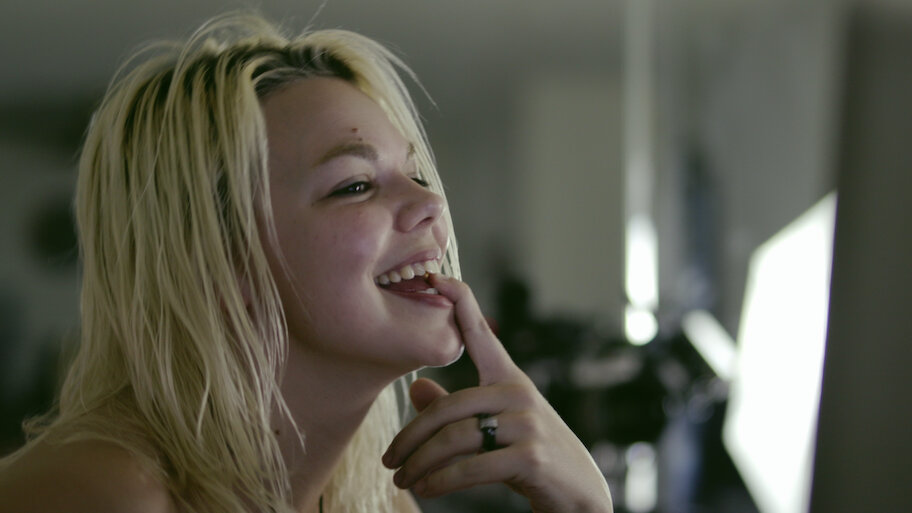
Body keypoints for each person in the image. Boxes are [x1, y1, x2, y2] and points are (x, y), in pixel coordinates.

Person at [0, 12, 613, 513]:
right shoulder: (97, 495)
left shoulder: (374, 503)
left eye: (418, 175)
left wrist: (584, 506)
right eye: (355, 185)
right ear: (221, 263)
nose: (431, 204)